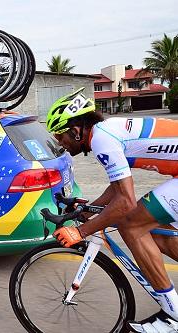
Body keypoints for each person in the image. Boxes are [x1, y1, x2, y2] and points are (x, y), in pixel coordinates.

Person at [45, 87, 178, 332]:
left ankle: (173, 317)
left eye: (60, 136)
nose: (61, 144)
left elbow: (125, 201)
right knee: (155, 231)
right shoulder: (107, 131)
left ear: (75, 131)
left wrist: (82, 231)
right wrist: (90, 211)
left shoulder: (101, 139)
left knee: (131, 225)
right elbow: (117, 187)